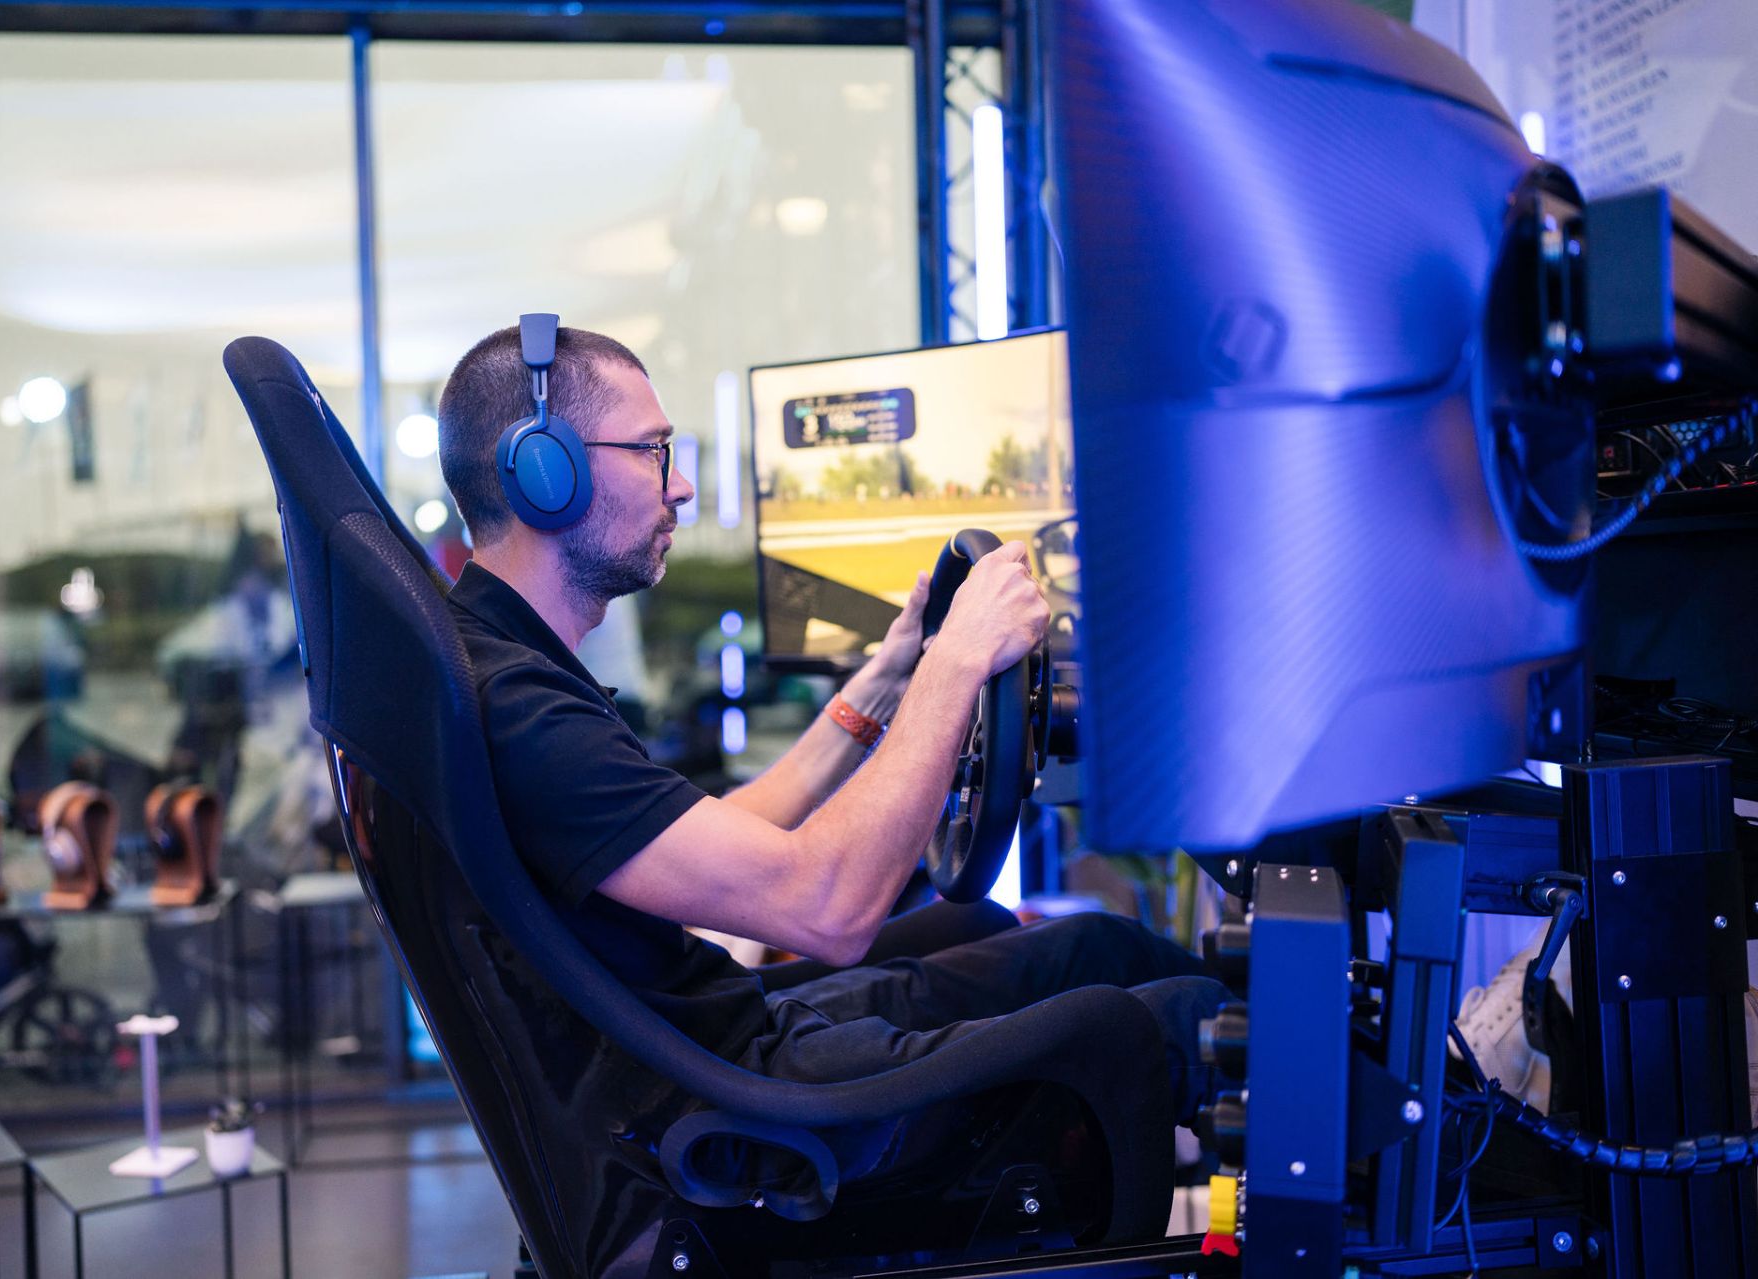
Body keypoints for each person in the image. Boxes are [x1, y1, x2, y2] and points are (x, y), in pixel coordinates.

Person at [435, 321, 1230, 1184]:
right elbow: (829, 908)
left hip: (712, 1058)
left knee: (1098, 950)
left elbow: (708, 838)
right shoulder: (522, 714)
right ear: (546, 472)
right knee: (1189, 1020)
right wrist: (958, 663)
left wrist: (884, 686)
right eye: (653, 451)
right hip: (751, 1113)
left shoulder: (497, 666)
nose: (682, 485)